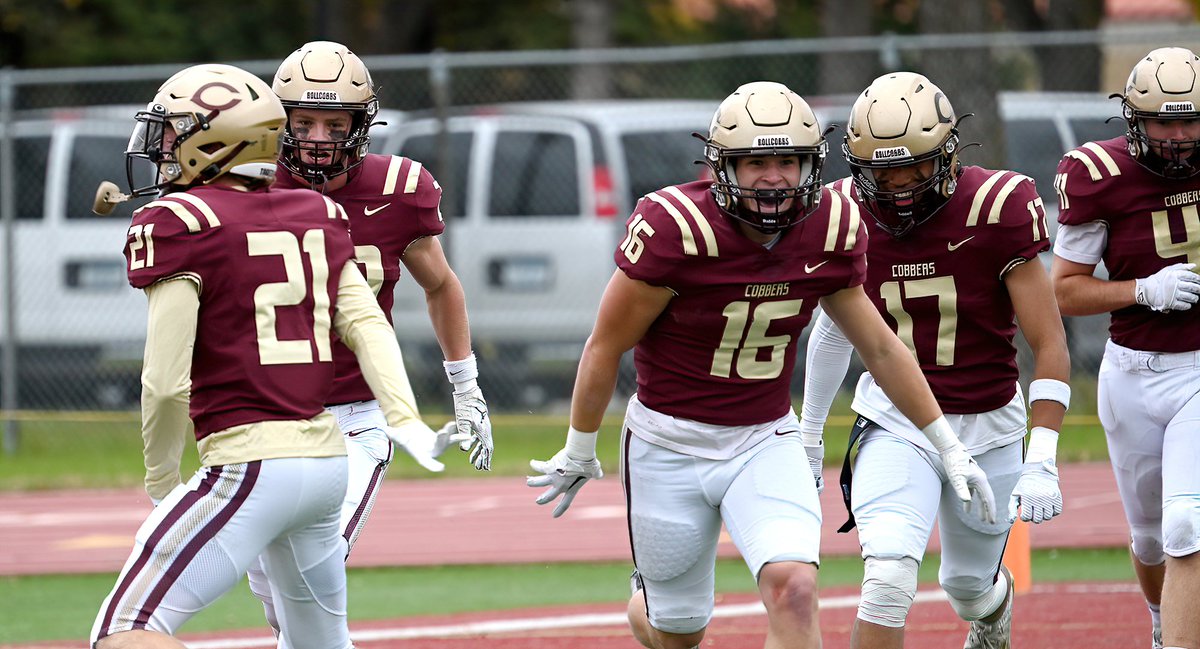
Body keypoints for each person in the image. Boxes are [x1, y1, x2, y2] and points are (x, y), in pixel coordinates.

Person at [527, 80, 996, 649]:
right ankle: (649, 608)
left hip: (764, 438)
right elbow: (605, 343)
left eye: (788, 161)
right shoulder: (676, 228)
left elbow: (879, 347)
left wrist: (946, 443)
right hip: (668, 444)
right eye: (755, 162)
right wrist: (580, 447)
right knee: (677, 632)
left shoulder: (831, 225)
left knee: (795, 589)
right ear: (722, 166)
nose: (773, 177)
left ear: (811, 166)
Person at [90, 63, 432, 649]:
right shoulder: (317, 212)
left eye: (174, 132)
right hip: (327, 463)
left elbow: (166, 386)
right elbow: (369, 325)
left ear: (216, 142)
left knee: (125, 631)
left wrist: (162, 479)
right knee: (317, 643)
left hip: (246, 463)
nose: (161, 146)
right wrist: (405, 418)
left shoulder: (180, 221)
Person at [801, 71, 1070, 649]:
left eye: (911, 168)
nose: (895, 186)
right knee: (889, 577)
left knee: (968, 587)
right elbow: (832, 329)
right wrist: (809, 432)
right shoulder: (842, 209)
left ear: (947, 155)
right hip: (895, 421)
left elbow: (1048, 341)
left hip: (988, 421)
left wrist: (1043, 455)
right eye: (880, 171)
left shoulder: (999, 205)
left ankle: (992, 608)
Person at [240, 41, 495, 639]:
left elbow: (441, 286)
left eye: (335, 123)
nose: (318, 137)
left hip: (355, 415)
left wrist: (466, 388)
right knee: (281, 597)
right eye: (302, 122)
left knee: (310, 567)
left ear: (363, 125)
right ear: (279, 121)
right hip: (263, 414)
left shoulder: (398, 188)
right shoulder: (245, 187)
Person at [1050, 47, 1200, 649]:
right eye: (1164, 121)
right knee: (1146, 537)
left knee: (1187, 521)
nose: (1179, 136)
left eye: (1190, 120)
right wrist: (1142, 289)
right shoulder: (1099, 175)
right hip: (1132, 373)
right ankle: (1164, 626)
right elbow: (1062, 292)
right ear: (1134, 121)